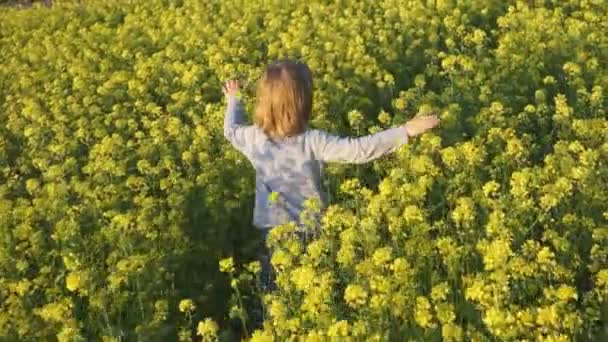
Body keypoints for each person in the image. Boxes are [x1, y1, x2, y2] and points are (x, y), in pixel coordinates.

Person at [222, 60, 440, 292]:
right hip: (312, 230)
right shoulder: (313, 140)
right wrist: (404, 130)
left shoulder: (254, 139)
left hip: (273, 231)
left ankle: (270, 316)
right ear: (303, 103)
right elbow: (358, 150)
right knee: (318, 287)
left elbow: (231, 130)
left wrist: (233, 100)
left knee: (277, 289)